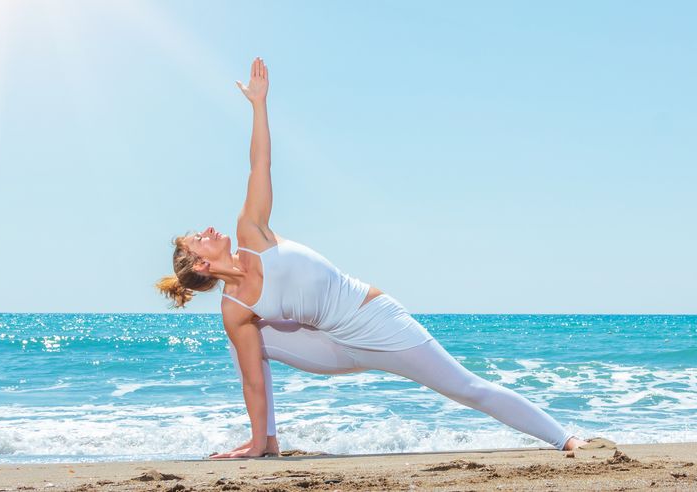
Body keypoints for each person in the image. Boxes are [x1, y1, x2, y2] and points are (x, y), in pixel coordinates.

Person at [154, 57, 612, 459]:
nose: (208, 231)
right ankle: (265, 441)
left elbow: (260, 165)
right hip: (331, 345)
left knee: (466, 389)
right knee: (246, 345)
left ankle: (565, 438)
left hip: (378, 324)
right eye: (199, 240)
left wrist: (258, 104)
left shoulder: (251, 232)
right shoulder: (235, 310)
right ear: (201, 266)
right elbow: (254, 382)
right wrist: (258, 436)